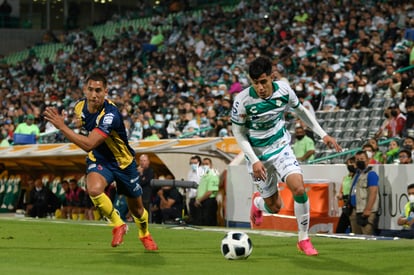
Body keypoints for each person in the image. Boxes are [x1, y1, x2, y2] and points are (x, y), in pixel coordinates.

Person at [231, 56, 341, 256]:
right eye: (255, 83)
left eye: (263, 82)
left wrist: (323, 135)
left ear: (272, 77)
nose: (260, 87)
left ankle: (303, 238)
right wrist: (254, 160)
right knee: (274, 207)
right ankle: (258, 203)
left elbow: (301, 112)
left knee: (298, 187)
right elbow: (238, 133)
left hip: (281, 147)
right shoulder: (242, 101)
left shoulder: (284, 90)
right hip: (257, 156)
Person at [43, 73, 158, 250]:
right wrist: (69, 123)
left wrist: (62, 126)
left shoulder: (110, 115)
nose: (94, 94)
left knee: (137, 210)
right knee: (94, 189)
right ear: (85, 90)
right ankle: (118, 224)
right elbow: (83, 124)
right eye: (90, 90)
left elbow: (89, 144)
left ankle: (144, 234)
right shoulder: (79, 106)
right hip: (100, 158)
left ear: (105, 92)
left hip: (123, 162)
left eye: (98, 90)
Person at [348, 150, 380, 236]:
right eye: (357, 159)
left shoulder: (371, 174)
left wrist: (368, 209)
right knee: (356, 236)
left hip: (365, 211)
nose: (359, 161)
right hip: (355, 210)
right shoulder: (356, 175)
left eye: (362, 159)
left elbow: (373, 192)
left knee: (367, 234)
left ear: (368, 160)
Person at [193, 158, 219, 226]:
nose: (205, 166)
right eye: (203, 164)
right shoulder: (204, 176)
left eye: (207, 164)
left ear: (211, 165)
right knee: (200, 223)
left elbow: (209, 192)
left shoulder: (213, 175)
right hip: (202, 202)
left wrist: (199, 200)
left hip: (208, 201)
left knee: (208, 222)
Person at [335, 157, 356, 233]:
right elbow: (342, 190)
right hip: (346, 205)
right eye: (348, 163)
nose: (350, 165)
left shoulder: (357, 177)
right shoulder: (345, 178)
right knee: (340, 228)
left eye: (352, 163)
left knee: (353, 228)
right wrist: (340, 194)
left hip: (353, 205)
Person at [186, 155, 203, 223]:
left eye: (195, 163)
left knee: (199, 217)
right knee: (192, 216)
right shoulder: (190, 172)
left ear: (199, 163)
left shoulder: (202, 171)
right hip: (191, 196)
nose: (193, 165)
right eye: (191, 163)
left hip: (199, 197)